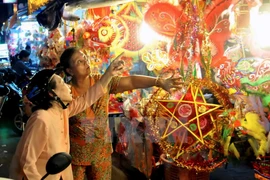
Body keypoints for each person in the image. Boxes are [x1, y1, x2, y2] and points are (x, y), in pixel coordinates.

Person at [59, 47, 183, 180]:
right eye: (79, 62)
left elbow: (131, 81)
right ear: (69, 70)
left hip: (101, 152)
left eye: (84, 57)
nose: (86, 62)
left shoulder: (101, 81)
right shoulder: (65, 92)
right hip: (77, 155)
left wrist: (158, 82)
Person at [9, 58, 124, 180]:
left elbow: (86, 99)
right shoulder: (41, 118)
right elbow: (27, 162)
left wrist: (109, 73)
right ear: (51, 93)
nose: (68, 86)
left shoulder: (62, 111)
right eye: (62, 83)